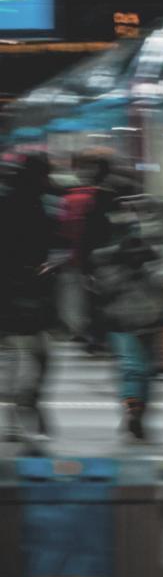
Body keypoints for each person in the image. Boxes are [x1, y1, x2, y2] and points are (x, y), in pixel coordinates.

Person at [88, 168, 163, 441]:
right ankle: (136, 412)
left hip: (124, 308)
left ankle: (133, 410)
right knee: (143, 367)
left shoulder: (104, 221)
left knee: (133, 366)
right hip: (145, 307)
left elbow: (94, 264)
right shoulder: (151, 218)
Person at [0, 151, 57, 445]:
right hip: (23, 292)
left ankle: (15, 417)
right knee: (40, 356)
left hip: (10, 292)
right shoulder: (33, 204)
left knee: (13, 359)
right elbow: (40, 246)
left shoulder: (11, 199)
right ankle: (28, 403)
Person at [60, 148, 115, 356]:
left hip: (92, 256)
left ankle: (94, 336)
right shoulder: (109, 195)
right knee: (100, 297)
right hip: (103, 256)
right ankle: (99, 336)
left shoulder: (91, 196)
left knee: (92, 298)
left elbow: (86, 230)